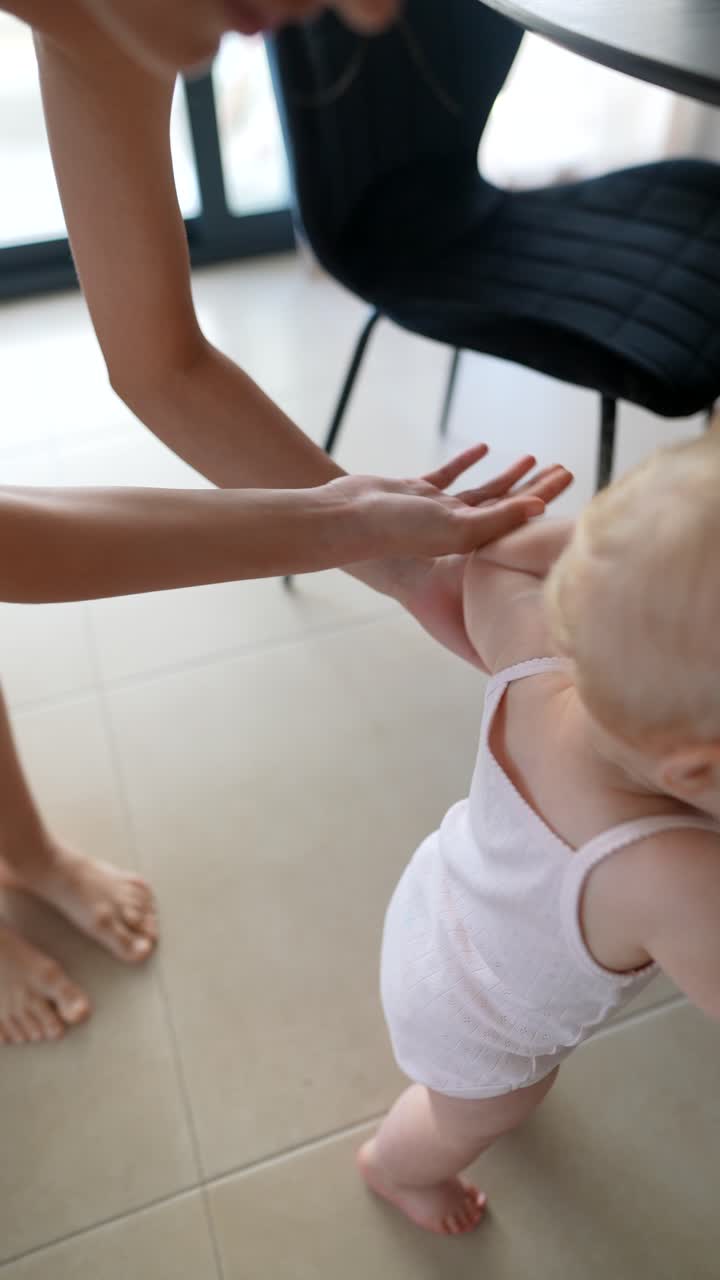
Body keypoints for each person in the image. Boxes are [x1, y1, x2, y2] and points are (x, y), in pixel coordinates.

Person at [0, 0, 573, 1045]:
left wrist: (390, 558)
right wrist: (338, 524)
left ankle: (23, 849)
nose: (364, 12)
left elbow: (160, 364)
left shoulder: (95, 18)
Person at [359, 429, 720, 1236]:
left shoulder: (534, 658)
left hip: (439, 902)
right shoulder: (679, 874)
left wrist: (626, 550)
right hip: (482, 1023)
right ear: (698, 772)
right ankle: (396, 1168)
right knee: (477, 1115)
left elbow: (503, 558)